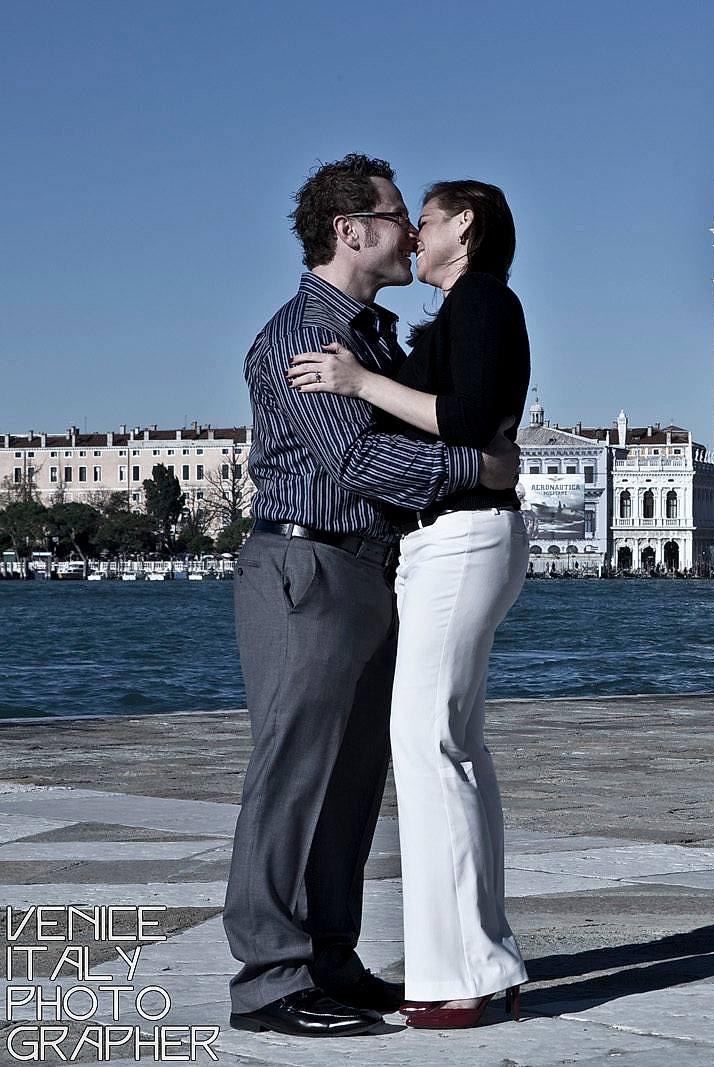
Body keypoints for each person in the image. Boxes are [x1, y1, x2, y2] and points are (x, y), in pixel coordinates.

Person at [226, 155, 521, 1039]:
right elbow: (356, 461)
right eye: (396, 215)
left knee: (353, 779)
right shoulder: (300, 339)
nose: (409, 231)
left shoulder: (374, 337)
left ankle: (328, 956)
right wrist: (478, 466)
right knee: (292, 775)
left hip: (366, 569)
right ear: (351, 231)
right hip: (305, 569)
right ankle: (269, 979)